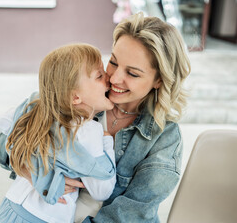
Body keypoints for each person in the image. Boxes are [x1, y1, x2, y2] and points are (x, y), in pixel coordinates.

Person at [69, 12, 191, 222]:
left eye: (133, 74)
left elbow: (131, 213)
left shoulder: (165, 138)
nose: (114, 78)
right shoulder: (80, 95)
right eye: (114, 62)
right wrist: (31, 168)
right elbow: (5, 147)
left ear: (159, 80)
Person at [0, 43, 117, 223]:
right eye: (99, 76)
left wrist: (29, 163)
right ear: (75, 97)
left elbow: (2, 121)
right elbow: (102, 191)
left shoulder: (38, 111)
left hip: (10, 207)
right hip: (45, 217)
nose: (108, 79)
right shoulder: (89, 131)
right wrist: (107, 142)